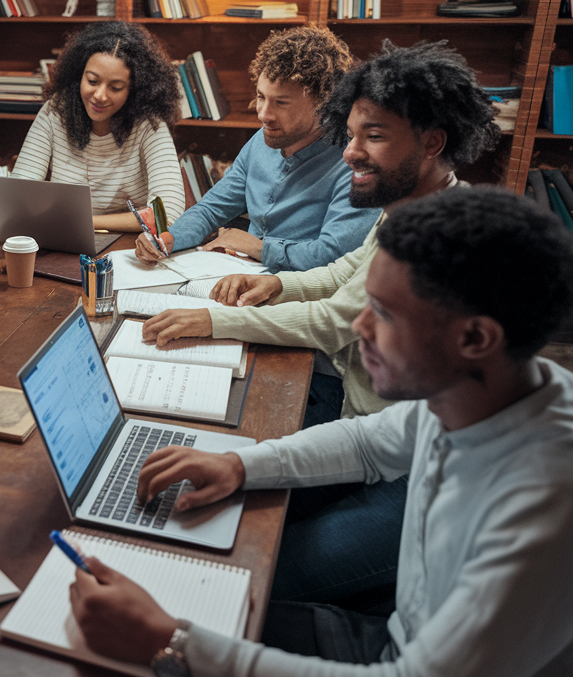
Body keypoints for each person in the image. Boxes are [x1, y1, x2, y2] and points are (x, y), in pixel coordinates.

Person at [69, 186, 573, 677]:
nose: (359, 329)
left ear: (476, 337)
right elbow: (369, 442)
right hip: (399, 636)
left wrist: (173, 644)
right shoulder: (487, 394)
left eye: (385, 315)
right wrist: (239, 464)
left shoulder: (543, 502)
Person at [138, 40, 500, 605]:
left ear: (432, 143)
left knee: (254, 575)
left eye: (372, 136)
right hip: (376, 439)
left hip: (427, 485)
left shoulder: (442, 237)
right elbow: (348, 272)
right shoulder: (410, 208)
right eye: (351, 133)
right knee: (215, 516)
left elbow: (337, 317)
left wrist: (212, 320)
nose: (350, 153)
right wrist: (277, 282)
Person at [136, 27, 380, 271]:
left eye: (281, 103)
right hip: (236, 272)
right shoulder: (261, 142)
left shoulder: (356, 164)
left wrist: (258, 248)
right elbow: (210, 210)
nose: (263, 114)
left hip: (300, 291)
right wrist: (170, 239)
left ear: (323, 102)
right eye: (261, 97)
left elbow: (333, 256)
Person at [12, 20, 186, 233]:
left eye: (116, 87)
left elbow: (166, 215)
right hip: (65, 239)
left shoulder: (149, 124)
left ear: (134, 90)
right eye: (92, 81)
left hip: (129, 247)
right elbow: (18, 196)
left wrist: (84, 222)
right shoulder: (55, 111)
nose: (100, 96)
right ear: (79, 75)